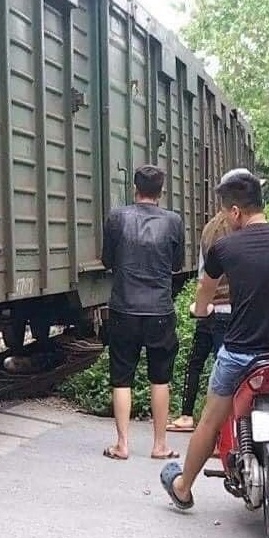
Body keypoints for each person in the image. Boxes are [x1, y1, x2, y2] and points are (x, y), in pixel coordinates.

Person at [160, 168, 269, 511]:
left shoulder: (223, 247)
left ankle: (182, 487)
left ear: (235, 211)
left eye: (227, 212)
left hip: (240, 354)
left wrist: (201, 309)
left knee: (209, 419)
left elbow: (204, 299)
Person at [100, 164, 185, 461]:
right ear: (161, 192)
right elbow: (176, 265)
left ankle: (122, 445)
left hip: (124, 307)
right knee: (160, 378)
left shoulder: (117, 218)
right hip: (160, 309)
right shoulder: (174, 222)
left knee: (122, 376)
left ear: (134, 189)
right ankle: (159, 445)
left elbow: (107, 260)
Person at [167, 211, 232, 433]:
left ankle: (186, 415)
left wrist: (201, 305)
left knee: (196, 361)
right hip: (237, 308)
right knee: (225, 368)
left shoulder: (209, 229)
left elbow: (203, 274)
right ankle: (224, 423)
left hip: (210, 306)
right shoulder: (247, 230)